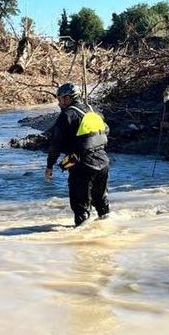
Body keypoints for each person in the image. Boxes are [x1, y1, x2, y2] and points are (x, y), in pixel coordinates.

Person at [44, 83, 110, 227]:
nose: (59, 102)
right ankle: (106, 232)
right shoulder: (94, 111)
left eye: (60, 99)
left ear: (68, 98)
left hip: (82, 165)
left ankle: (82, 244)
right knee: (102, 204)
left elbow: (56, 144)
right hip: (103, 161)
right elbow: (105, 131)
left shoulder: (66, 115)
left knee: (81, 208)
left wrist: (49, 166)